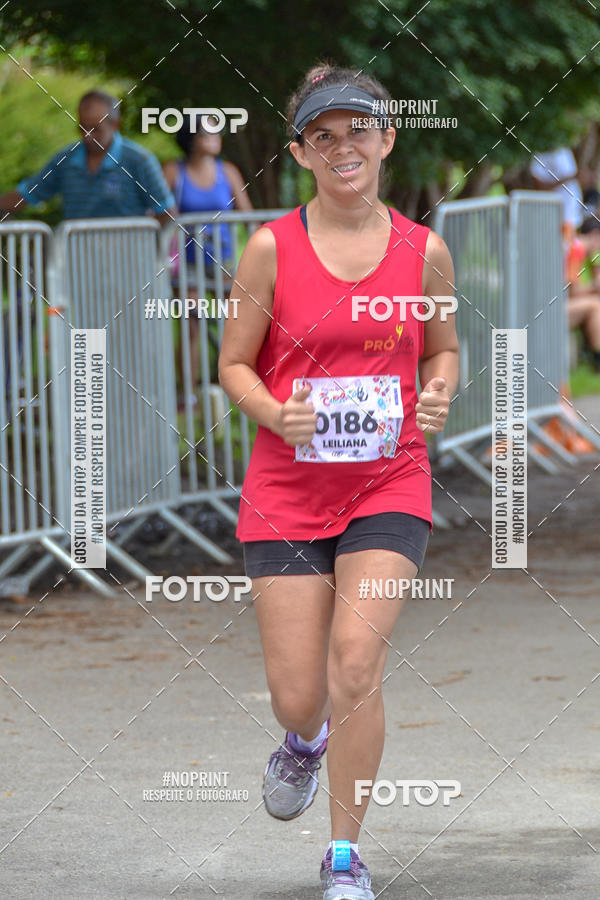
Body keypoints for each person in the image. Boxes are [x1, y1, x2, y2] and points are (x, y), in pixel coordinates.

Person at [218, 63, 459, 900]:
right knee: (300, 696)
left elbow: (443, 349)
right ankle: (302, 741)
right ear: (299, 153)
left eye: (358, 130)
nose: (342, 147)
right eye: (323, 136)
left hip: (389, 482)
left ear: (387, 138)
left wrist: (439, 391)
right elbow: (234, 364)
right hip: (286, 491)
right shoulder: (269, 248)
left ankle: (345, 856)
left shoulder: (423, 251)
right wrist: (274, 413)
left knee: (356, 664)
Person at [163, 115, 252, 393]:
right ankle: (188, 395)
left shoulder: (228, 172)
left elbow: (248, 217)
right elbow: (159, 215)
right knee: (191, 326)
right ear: (191, 138)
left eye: (216, 131)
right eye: (207, 132)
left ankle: (238, 390)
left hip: (223, 261)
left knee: (237, 324)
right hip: (188, 264)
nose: (215, 137)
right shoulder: (174, 172)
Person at [0, 90, 175, 222]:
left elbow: (167, 211)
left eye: (96, 129)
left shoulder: (139, 160)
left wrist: (144, 241)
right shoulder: (65, 159)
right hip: (79, 256)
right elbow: (27, 194)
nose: (88, 136)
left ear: (115, 124)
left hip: (128, 257)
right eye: (82, 128)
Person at [566, 216, 600, 371]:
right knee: (595, 305)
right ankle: (596, 359)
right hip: (559, 307)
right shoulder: (576, 249)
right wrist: (594, 286)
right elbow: (572, 291)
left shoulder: (589, 252)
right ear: (595, 235)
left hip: (571, 303)